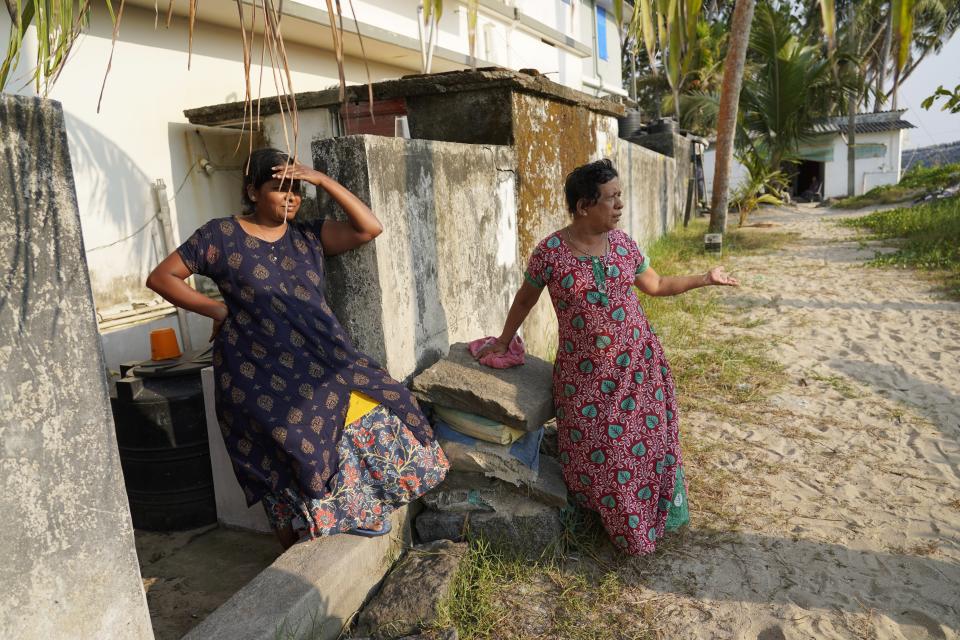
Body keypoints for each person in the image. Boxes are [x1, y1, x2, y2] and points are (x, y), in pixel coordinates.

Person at [146, 148, 449, 549]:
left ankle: (360, 507)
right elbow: (162, 277)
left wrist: (321, 180)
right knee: (293, 434)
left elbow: (369, 227)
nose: (291, 197)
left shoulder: (308, 236)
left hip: (324, 355)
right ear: (252, 191)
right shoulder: (220, 235)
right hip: (256, 367)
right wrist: (219, 309)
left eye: (296, 190)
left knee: (387, 399)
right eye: (278, 189)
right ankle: (311, 528)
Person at [477, 159, 739, 555]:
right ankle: (605, 521)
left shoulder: (624, 245)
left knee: (648, 445)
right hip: (584, 378)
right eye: (611, 198)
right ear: (583, 206)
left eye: (620, 196)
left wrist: (704, 278)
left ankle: (647, 522)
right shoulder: (550, 252)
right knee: (596, 448)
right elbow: (525, 299)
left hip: (638, 367)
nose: (619, 205)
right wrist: (504, 339)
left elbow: (658, 284)